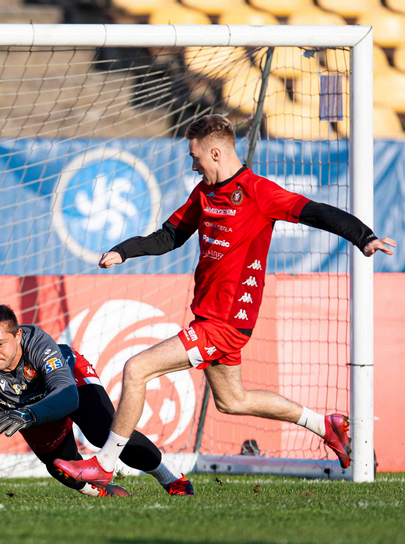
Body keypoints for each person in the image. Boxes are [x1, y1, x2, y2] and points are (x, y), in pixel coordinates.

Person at [55, 114, 397, 487]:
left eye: (195, 157)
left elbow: (314, 212)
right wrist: (123, 251)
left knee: (137, 368)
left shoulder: (257, 191)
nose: (193, 165)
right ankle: (325, 425)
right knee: (232, 400)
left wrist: (364, 237)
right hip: (209, 318)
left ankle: (105, 463)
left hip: (226, 323)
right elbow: (170, 235)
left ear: (215, 153)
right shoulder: (204, 193)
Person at [0, 304, 194, 497]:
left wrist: (27, 415)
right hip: (28, 409)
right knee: (60, 465)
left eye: (0, 344)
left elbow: (68, 396)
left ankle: (173, 479)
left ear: (18, 336)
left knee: (104, 433)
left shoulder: (37, 342)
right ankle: (104, 494)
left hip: (70, 381)